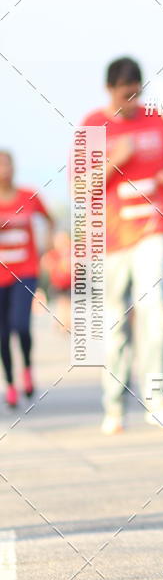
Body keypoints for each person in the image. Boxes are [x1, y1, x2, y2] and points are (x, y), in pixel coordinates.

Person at [81, 58, 163, 434]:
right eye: (126, 95)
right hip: (110, 239)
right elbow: (81, 187)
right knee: (114, 325)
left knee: (154, 308)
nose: (133, 100)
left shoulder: (155, 117)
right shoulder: (93, 124)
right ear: (110, 90)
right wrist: (113, 162)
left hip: (153, 228)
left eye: (138, 92)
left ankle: (158, 399)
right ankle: (114, 404)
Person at [0, 151, 54, 408]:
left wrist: (46, 249)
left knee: (21, 325)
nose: (4, 170)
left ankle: (27, 369)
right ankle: (10, 383)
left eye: (7, 164)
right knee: (2, 333)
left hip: (25, 271)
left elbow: (49, 220)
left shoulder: (28, 196)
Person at [41, 229, 71, 333]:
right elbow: (45, 262)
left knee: (66, 303)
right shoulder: (54, 254)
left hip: (69, 283)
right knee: (62, 303)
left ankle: (65, 322)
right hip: (57, 283)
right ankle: (62, 322)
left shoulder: (70, 253)